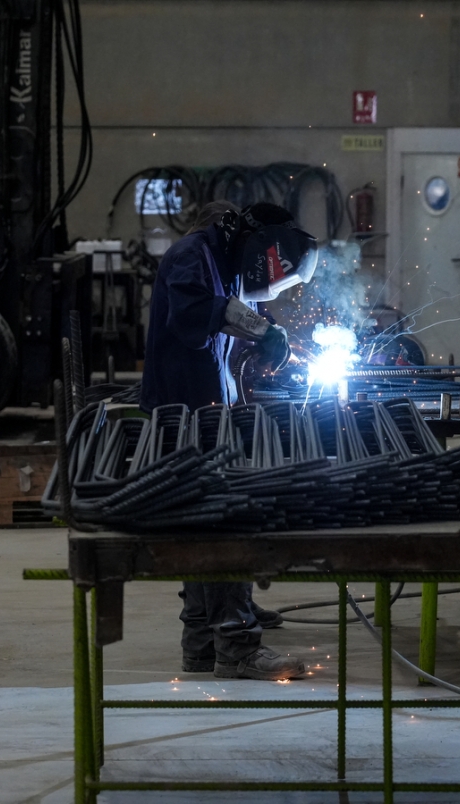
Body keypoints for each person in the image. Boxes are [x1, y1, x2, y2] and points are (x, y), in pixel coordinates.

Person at [141, 200, 318, 681]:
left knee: (204, 526)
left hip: (204, 412)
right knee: (225, 520)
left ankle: (201, 642)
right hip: (181, 415)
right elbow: (196, 314)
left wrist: (267, 351)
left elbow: (229, 332)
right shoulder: (190, 255)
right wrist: (263, 330)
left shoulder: (227, 267)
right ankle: (237, 644)